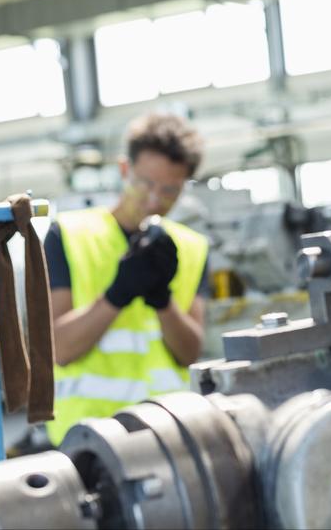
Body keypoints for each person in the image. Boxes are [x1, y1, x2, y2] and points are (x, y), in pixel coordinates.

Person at [43, 112, 210, 446]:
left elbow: (189, 353)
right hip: (88, 437)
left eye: (169, 190)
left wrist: (162, 301)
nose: (153, 200)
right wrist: (117, 295)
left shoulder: (192, 248)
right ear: (124, 170)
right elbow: (58, 349)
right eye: (145, 184)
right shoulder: (70, 235)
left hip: (166, 431)